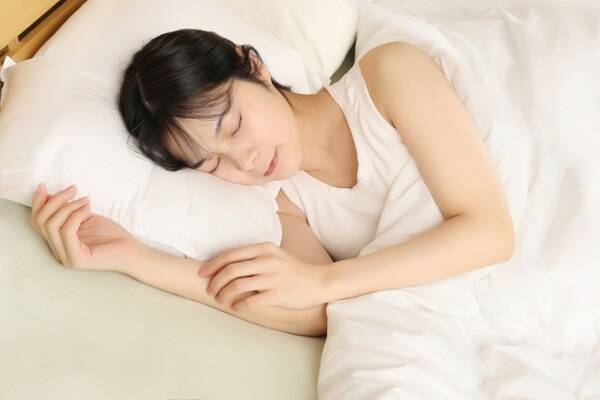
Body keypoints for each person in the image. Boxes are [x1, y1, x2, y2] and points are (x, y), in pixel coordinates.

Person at [30, 28, 515, 338]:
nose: (245, 161)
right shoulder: (286, 202)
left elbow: (491, 232)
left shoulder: (387, 74)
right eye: (212, 164)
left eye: (234, 125)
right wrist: (136, 259)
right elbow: (314, 312)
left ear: (254, 66)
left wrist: (323, 279)